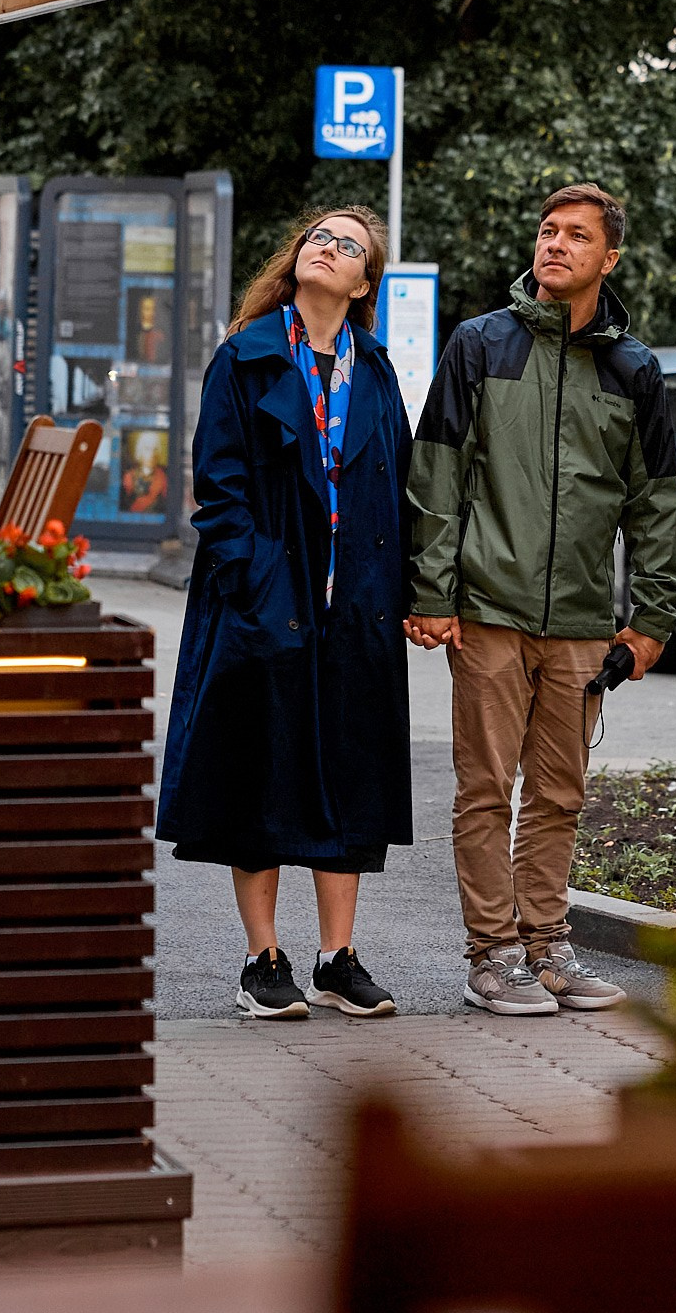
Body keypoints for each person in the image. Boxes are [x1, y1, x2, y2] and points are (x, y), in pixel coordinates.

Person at [405, 182, 676, 1015]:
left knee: (560, 793)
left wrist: (652, 619)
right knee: (486, 790)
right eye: (547, 231)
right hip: (488, 608)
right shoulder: (480, 345)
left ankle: (547, 948)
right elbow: (437, 473)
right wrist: (433, 590)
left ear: (610, 258)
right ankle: (492, 955)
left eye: (576, 235)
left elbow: (654, 502)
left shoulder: (633, 369)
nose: (555, 244)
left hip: (582, 621)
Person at [157, 206, 413, 1021]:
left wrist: (402, 592)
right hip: (268, 599)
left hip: (355, 605)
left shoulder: (374, 369)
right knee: (261, 772)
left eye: (348, 246)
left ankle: (337, 960)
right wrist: (255, 580)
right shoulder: (247, 355)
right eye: (319, 238)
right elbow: (218, 486)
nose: (328, 248)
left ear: (364, 282)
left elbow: (398, 484)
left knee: (349, 775)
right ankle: (261, 960)